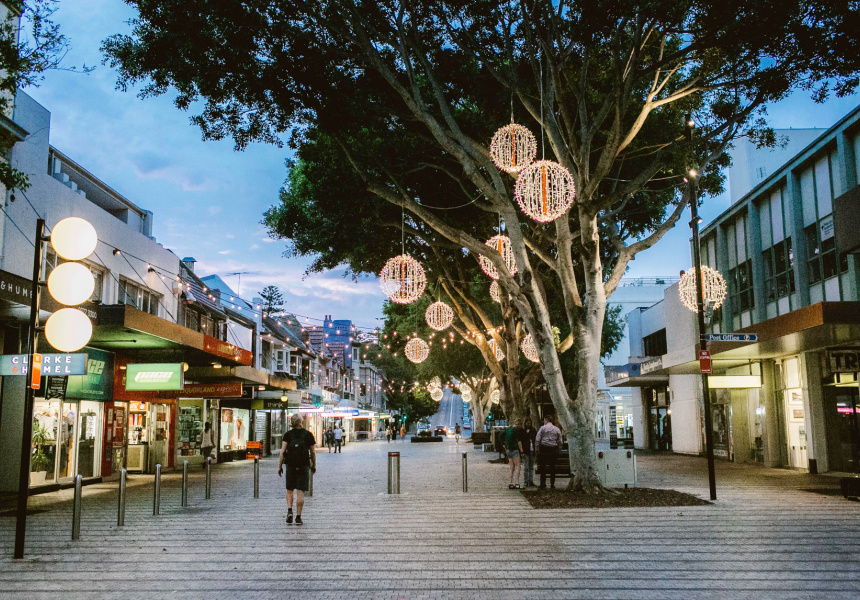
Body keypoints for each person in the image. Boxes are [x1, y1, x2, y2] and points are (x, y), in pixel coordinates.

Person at [278, 414, 316, 525]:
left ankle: (290, 511)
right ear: (301, 422)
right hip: (303, 465)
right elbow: (313, 452)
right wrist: (313, 465)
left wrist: (280, 466)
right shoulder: (308, 435)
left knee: (289, 489)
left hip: (290, 465)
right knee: (300, 490)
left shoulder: (288, 435)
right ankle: (298, 517)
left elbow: (282, 452)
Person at [535, 415, 563, 489]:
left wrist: (537, 448)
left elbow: (537, 439)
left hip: (544, 448)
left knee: (543, 466)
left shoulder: (542, 428)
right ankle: (552, 484)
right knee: (552, 467)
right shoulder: (556, 429)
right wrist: (559, 449)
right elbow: (560, 441)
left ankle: (542, 483)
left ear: (546, 420)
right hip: (553, 449)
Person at [503, 422, 523, 489]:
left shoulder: (508, 430)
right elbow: (519, 442)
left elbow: (500, 435)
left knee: (511, 467)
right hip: (515, 450)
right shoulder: (517, 431)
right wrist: (522, 452)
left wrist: (504, 444)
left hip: (508, 450)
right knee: (517, 466)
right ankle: (516, 483)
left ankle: (510, 483)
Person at [520, 420, 537, 487]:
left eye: (530, 423)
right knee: (526, 467)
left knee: (531, 467)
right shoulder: (522, 431)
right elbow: (521, 440)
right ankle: (526, 481)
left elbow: (535, 439)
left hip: (532, 450)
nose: (529, 424)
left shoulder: (533, 430)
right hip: (526, 450)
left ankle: (531, 481)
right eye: (527, 423)